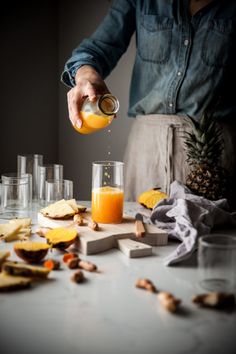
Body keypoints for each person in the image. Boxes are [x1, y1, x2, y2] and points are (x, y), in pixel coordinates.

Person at [61, 0, 236, 203]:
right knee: (138, 231)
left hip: (216, 156)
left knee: (217, 232)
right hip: (146, 152)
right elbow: (98, 46)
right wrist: (86, 74)